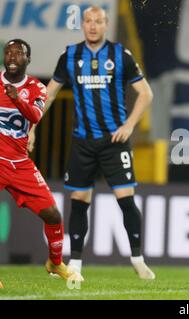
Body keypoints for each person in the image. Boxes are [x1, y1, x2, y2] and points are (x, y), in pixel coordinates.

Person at [28, 6, 155, 279]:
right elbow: (48, 95)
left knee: (126, 201)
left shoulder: (120, 55)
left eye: (98, 21)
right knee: (78, 201)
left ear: (106, 24)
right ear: (82, 24)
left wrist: (129, 125)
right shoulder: (70, 56)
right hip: (83, 142)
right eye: (88, 21)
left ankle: (137, 258)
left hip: (114, 141)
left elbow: (145, 93)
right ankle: (75, 263)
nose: (93, 26)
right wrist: (33, 128)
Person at [0, 39, 81, 280]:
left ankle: (55, 263)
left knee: (53, 214)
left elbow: (35, 114)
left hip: (19, 163)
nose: (12, 56)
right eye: (8, 52)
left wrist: (16, 98)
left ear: (28, 59)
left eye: (18, 53)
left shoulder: (36, 87)